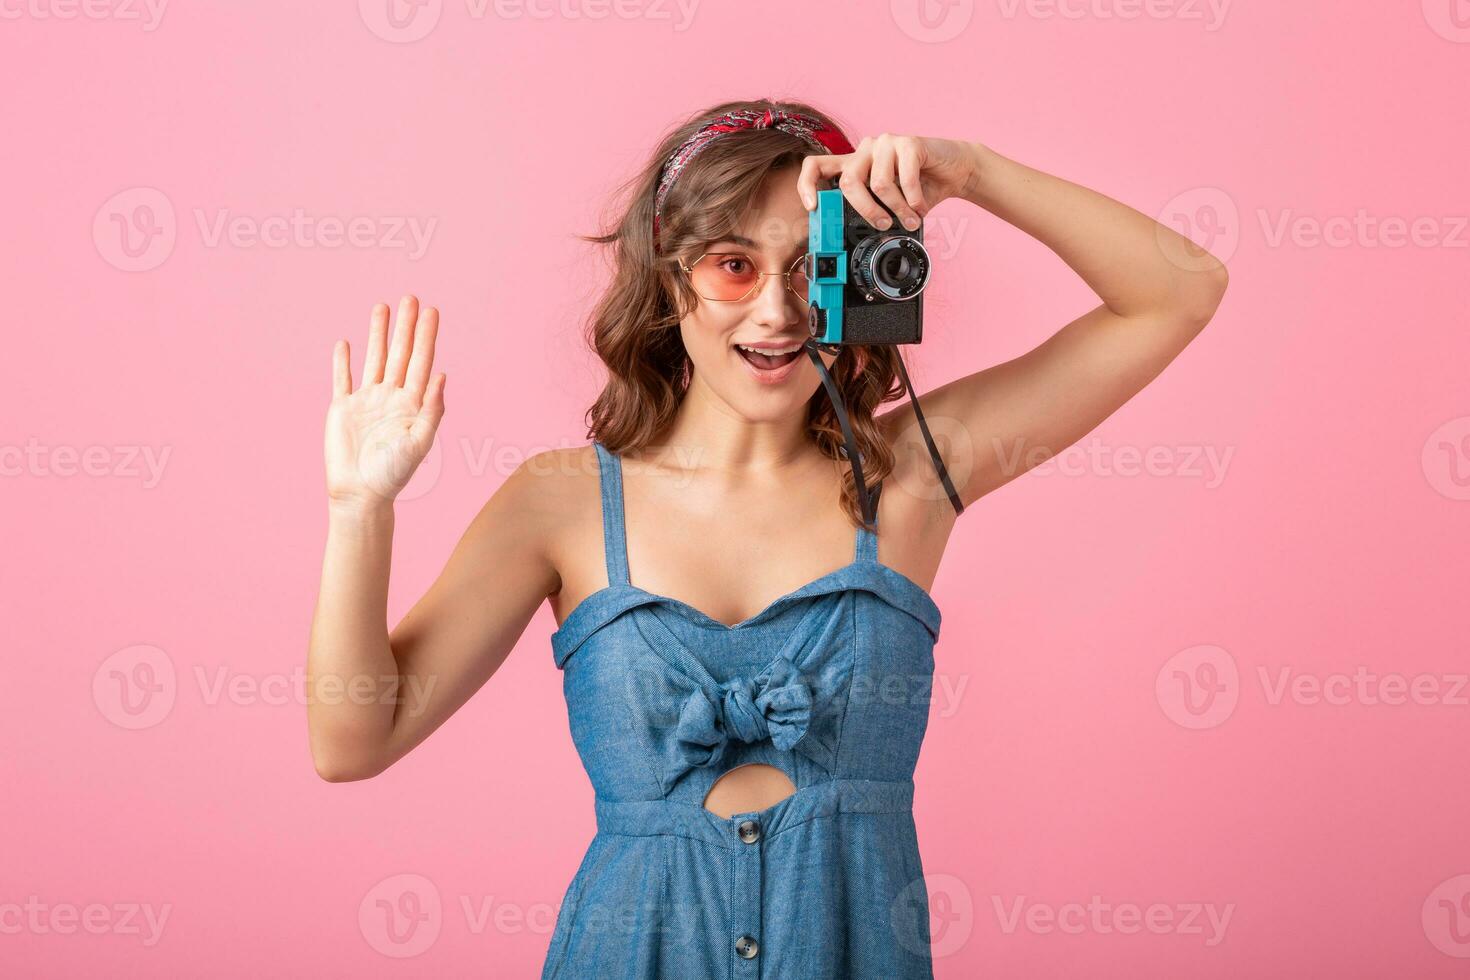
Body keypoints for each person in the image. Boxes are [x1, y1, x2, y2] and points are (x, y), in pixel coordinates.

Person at [306, 98, 1229, 977]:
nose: (779, 314)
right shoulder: (562, 502)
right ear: (671, 281)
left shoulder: (913, 477)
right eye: (734, 266)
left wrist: (973, 172)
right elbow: (353, 741)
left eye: (810, 266)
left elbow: (1178, 293)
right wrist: (360, 509)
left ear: (857, 274)